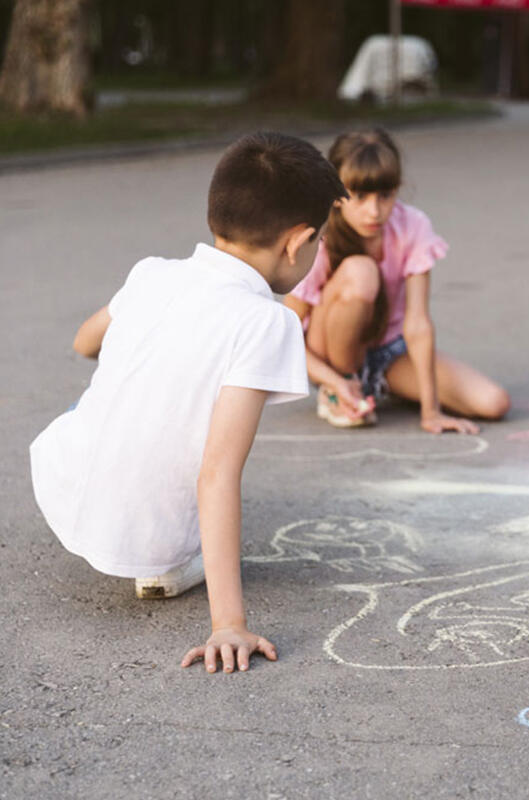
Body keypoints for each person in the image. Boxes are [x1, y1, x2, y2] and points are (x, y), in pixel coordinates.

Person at [29, 133, 346, 673]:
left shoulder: (153, 271)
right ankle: (167, 559)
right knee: (202, 462)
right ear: (298, 242)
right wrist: (228, 624)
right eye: (319, 245)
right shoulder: (267, 321)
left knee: (103, 408)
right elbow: (218, 472)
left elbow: (85, 341)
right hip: (148, 541)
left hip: (61, 490)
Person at [283, 129, 509, 432]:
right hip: (329, 355)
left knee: (493, 402)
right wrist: (334, 380)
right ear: (336, 195)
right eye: (359, 197)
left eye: (385, 196)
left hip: (390, 352)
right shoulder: (319, 239)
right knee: (361, 271)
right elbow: (286, 335)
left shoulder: (412, 226)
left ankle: (381, 386)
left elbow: (417, 324)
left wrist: (431, 411)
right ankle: (342, 389)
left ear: (398, 189)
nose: (374, 211)